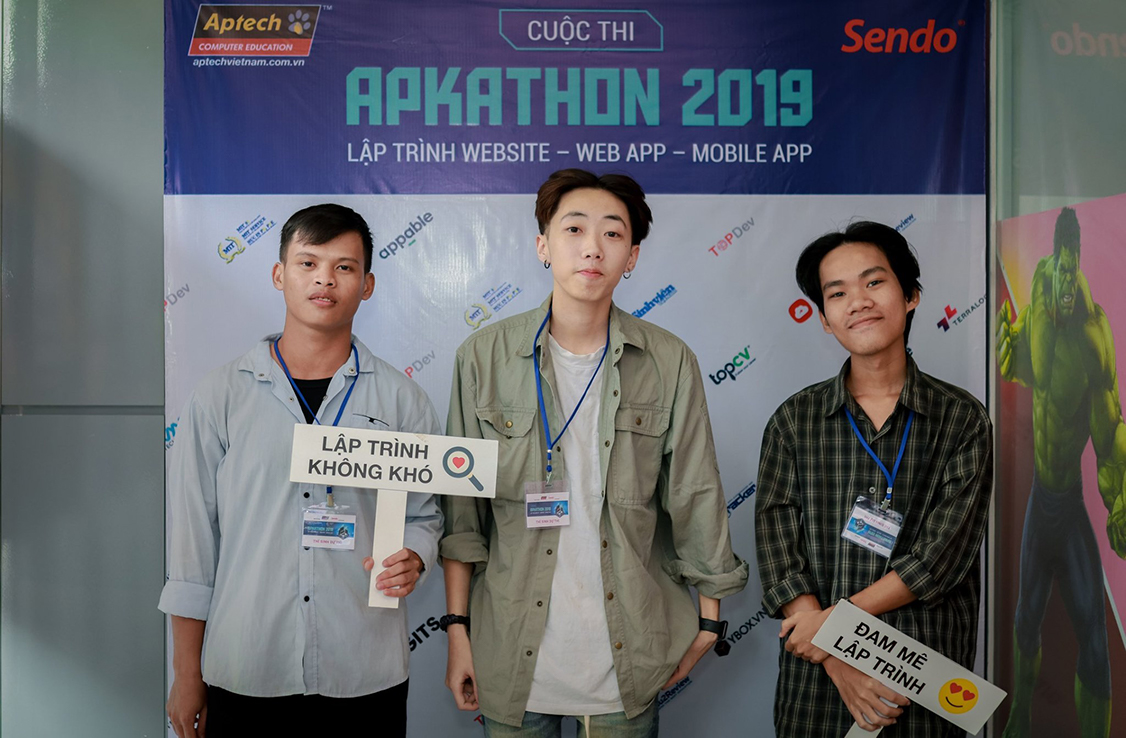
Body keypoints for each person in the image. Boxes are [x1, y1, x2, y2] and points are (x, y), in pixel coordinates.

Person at [440, 169, 748, 736]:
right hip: (509, 650)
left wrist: (709, 623)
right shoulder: (483, 357)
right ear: (543, 246)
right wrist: (457, 627)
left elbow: (695, 491)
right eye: (574, 228)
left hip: (626, 655)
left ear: (631, 256)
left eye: (612, 234)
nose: (591, 247)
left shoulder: (668, 360)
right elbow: (462, 507)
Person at [158, 204, 442, 738]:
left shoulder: (402, 400)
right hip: (246, 672)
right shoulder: (222, 396)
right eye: (308, 263)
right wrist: (186, 672)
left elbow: (424, 515)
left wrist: (416, 556)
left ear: (368, 284)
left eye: (344, 267)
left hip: (364, 674)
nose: (324, 280)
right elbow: (192, 547)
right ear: (278, 274)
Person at [755, 221, 993, 737]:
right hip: (817, 682)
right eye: (836, 293)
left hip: (921, 676)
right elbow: (779, 555)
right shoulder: (794, 421)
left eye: (873, 282)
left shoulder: (961, 419)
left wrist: (834, 627)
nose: (856, 301)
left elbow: (940, 559)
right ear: (824, 319)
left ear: (910, 296)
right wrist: (837, 654)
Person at [997, 206, 1124, 738]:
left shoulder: (1093, 337)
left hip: (1067, 502)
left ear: (1080, 269)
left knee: (1094, 640)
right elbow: (1031, 376)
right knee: (1024, 623)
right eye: (1059, 277)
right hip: (1035, 504)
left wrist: (1119, 499)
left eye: (1073, 276)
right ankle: (1018, 718)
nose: (1065, 288)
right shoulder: (1036, 299)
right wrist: (1012, 358)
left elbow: (1110, 432)